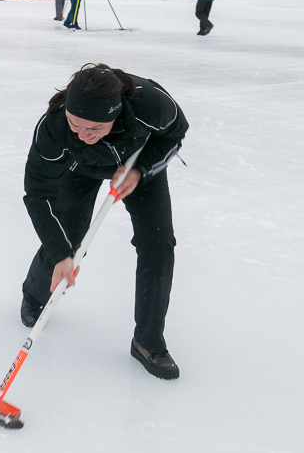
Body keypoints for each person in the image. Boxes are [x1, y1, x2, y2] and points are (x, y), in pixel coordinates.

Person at [20, 63, 188, 380]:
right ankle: (34, 293)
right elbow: (37, 193)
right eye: (75, 124)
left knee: (158, 244)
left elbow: (174, 134)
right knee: (68, 241)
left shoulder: (151, 105)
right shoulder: (55, 128)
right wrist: (61, 255)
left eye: (94, 129)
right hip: (80, 168)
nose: (83, 135)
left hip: (137, 164)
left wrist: (141, 170)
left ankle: (147, 342)